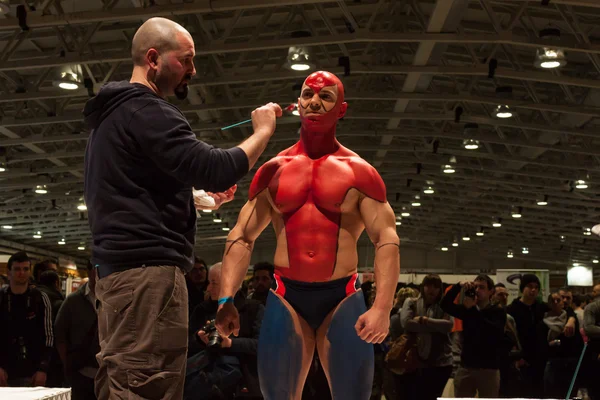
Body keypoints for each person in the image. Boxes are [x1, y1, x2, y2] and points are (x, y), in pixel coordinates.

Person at [83, 17, 282, 399]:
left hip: (119, 277)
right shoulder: (147, 110)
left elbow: (123, 188)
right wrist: (263, 131)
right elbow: (215, 167)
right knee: (146, 386)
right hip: (146, 281)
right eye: (187, 60)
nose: (193, 70)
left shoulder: (112, 116)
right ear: (154, 58)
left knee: (123, 381)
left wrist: (192, 199)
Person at [216, 71, 400, 400]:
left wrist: (383, 307)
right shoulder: (274, 169)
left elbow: (386, 239)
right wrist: (226, 298)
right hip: (287, 296)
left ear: (341, 109)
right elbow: (242, 236)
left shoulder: (359, 171)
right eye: (307, 94)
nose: (314, 101)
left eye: (325, 96)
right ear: (297, 104)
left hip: (342, 297)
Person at [507, 274, 576, 398]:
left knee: (539, 394)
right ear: (522, 288)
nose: (533, 290)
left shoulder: (541, 307)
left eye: (536, 287)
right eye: (530, 286)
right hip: (521, 359)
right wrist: (516, 357)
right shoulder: (512, 309)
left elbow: (566, 310)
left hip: (540, 359)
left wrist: (571, 320)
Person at [440, 274, 506, 398]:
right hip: (467, 367)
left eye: (482, 287)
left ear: (490, 291)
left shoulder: (497, 311)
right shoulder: (468, 310)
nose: (477, 291)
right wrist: (459, 286)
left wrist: (471, 310)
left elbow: (490, 330)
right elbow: (445, 304)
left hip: (489, 370)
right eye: (475, 287)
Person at [0, 251, 53, 387]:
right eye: (17, 269)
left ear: (30, 271)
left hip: (33, 371)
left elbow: (48, 337)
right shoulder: (2, 298)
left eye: (25, 269)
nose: (21, 273)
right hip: (4, 370)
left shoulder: (40, 298)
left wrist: (43, 369)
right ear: (9, 272)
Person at [398, 275, 453, 400]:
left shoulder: (445, 305)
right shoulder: (411, 302)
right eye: (428, 285)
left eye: (435, 286)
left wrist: (424, 320)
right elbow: (406, 323)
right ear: (423, 287)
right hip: (415, 361)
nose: (431, 289)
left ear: (440, 289)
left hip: (441, 362)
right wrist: (437, 326)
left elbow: (449, 326)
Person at [54, 261, 102, 400]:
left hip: (109, 373)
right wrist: (68, 366)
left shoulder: (113, 297)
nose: (99, 273)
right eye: (96, 269)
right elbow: (60, 334)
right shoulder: (73, 301)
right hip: (82, 373)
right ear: (89, 271)